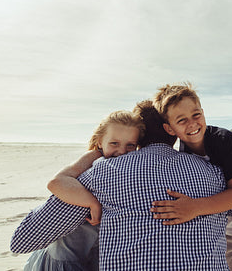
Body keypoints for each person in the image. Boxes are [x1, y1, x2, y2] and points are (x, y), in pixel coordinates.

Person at [11, 100, 232, 270]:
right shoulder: (214, 175)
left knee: (51, 249)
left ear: (138, 135)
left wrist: (91, 198)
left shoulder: (102, 174)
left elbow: (22, 240)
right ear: (171, 131)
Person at [152, 82, 232, 271]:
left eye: (196, 115)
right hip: (225, 233)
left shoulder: (223, 139)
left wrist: (193, 208)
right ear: (170, 129)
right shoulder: (181, 156)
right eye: (181, 120)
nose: (192, 123)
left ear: (203, 112)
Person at [22, 110, 144, 271]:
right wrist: (93, 204)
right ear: (100, 142)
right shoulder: (94, 157)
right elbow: (55, 183)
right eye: (114, 143)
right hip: (66, 254)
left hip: (93, 252)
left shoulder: (133, 165)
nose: (121, 151)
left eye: (130, 145)